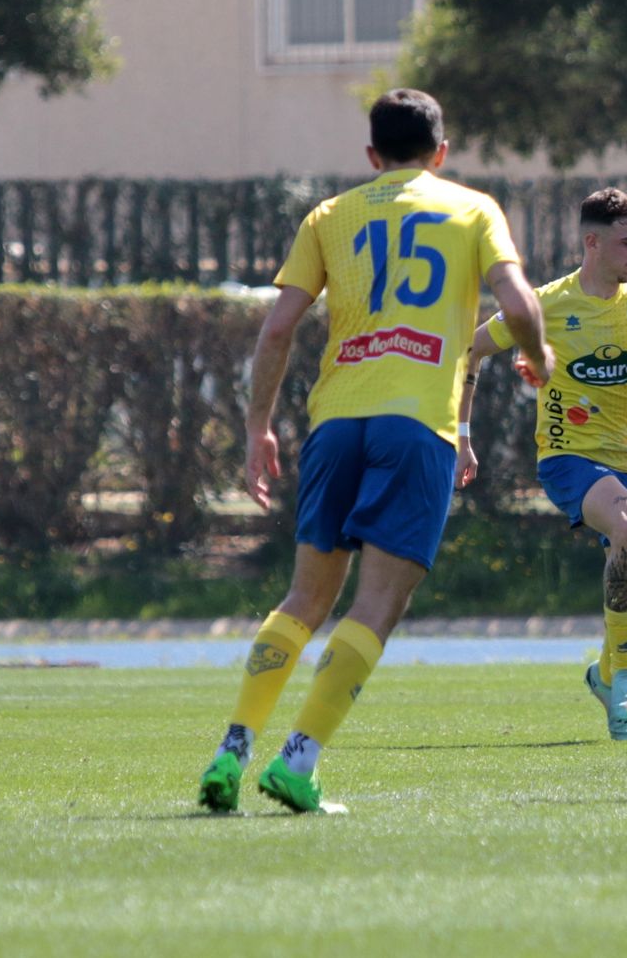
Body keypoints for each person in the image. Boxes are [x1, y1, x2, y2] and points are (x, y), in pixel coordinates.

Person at [197, 88, 551, 814]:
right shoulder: (472, 207)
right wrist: (540, 359)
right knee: (378, 603)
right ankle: (297, 763)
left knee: (304, 598)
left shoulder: (331, 216)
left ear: (371, 155)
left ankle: (232, 751)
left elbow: (276, 331)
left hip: (336, 421)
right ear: (441, 151)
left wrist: (257, 425)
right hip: (416, 424)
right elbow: (518, 307)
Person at [463, 187, 627, 741]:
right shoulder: (545, 304)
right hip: (568, 458)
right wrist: (461, 436)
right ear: (593, 242)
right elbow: (470, 350)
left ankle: (606, 674)